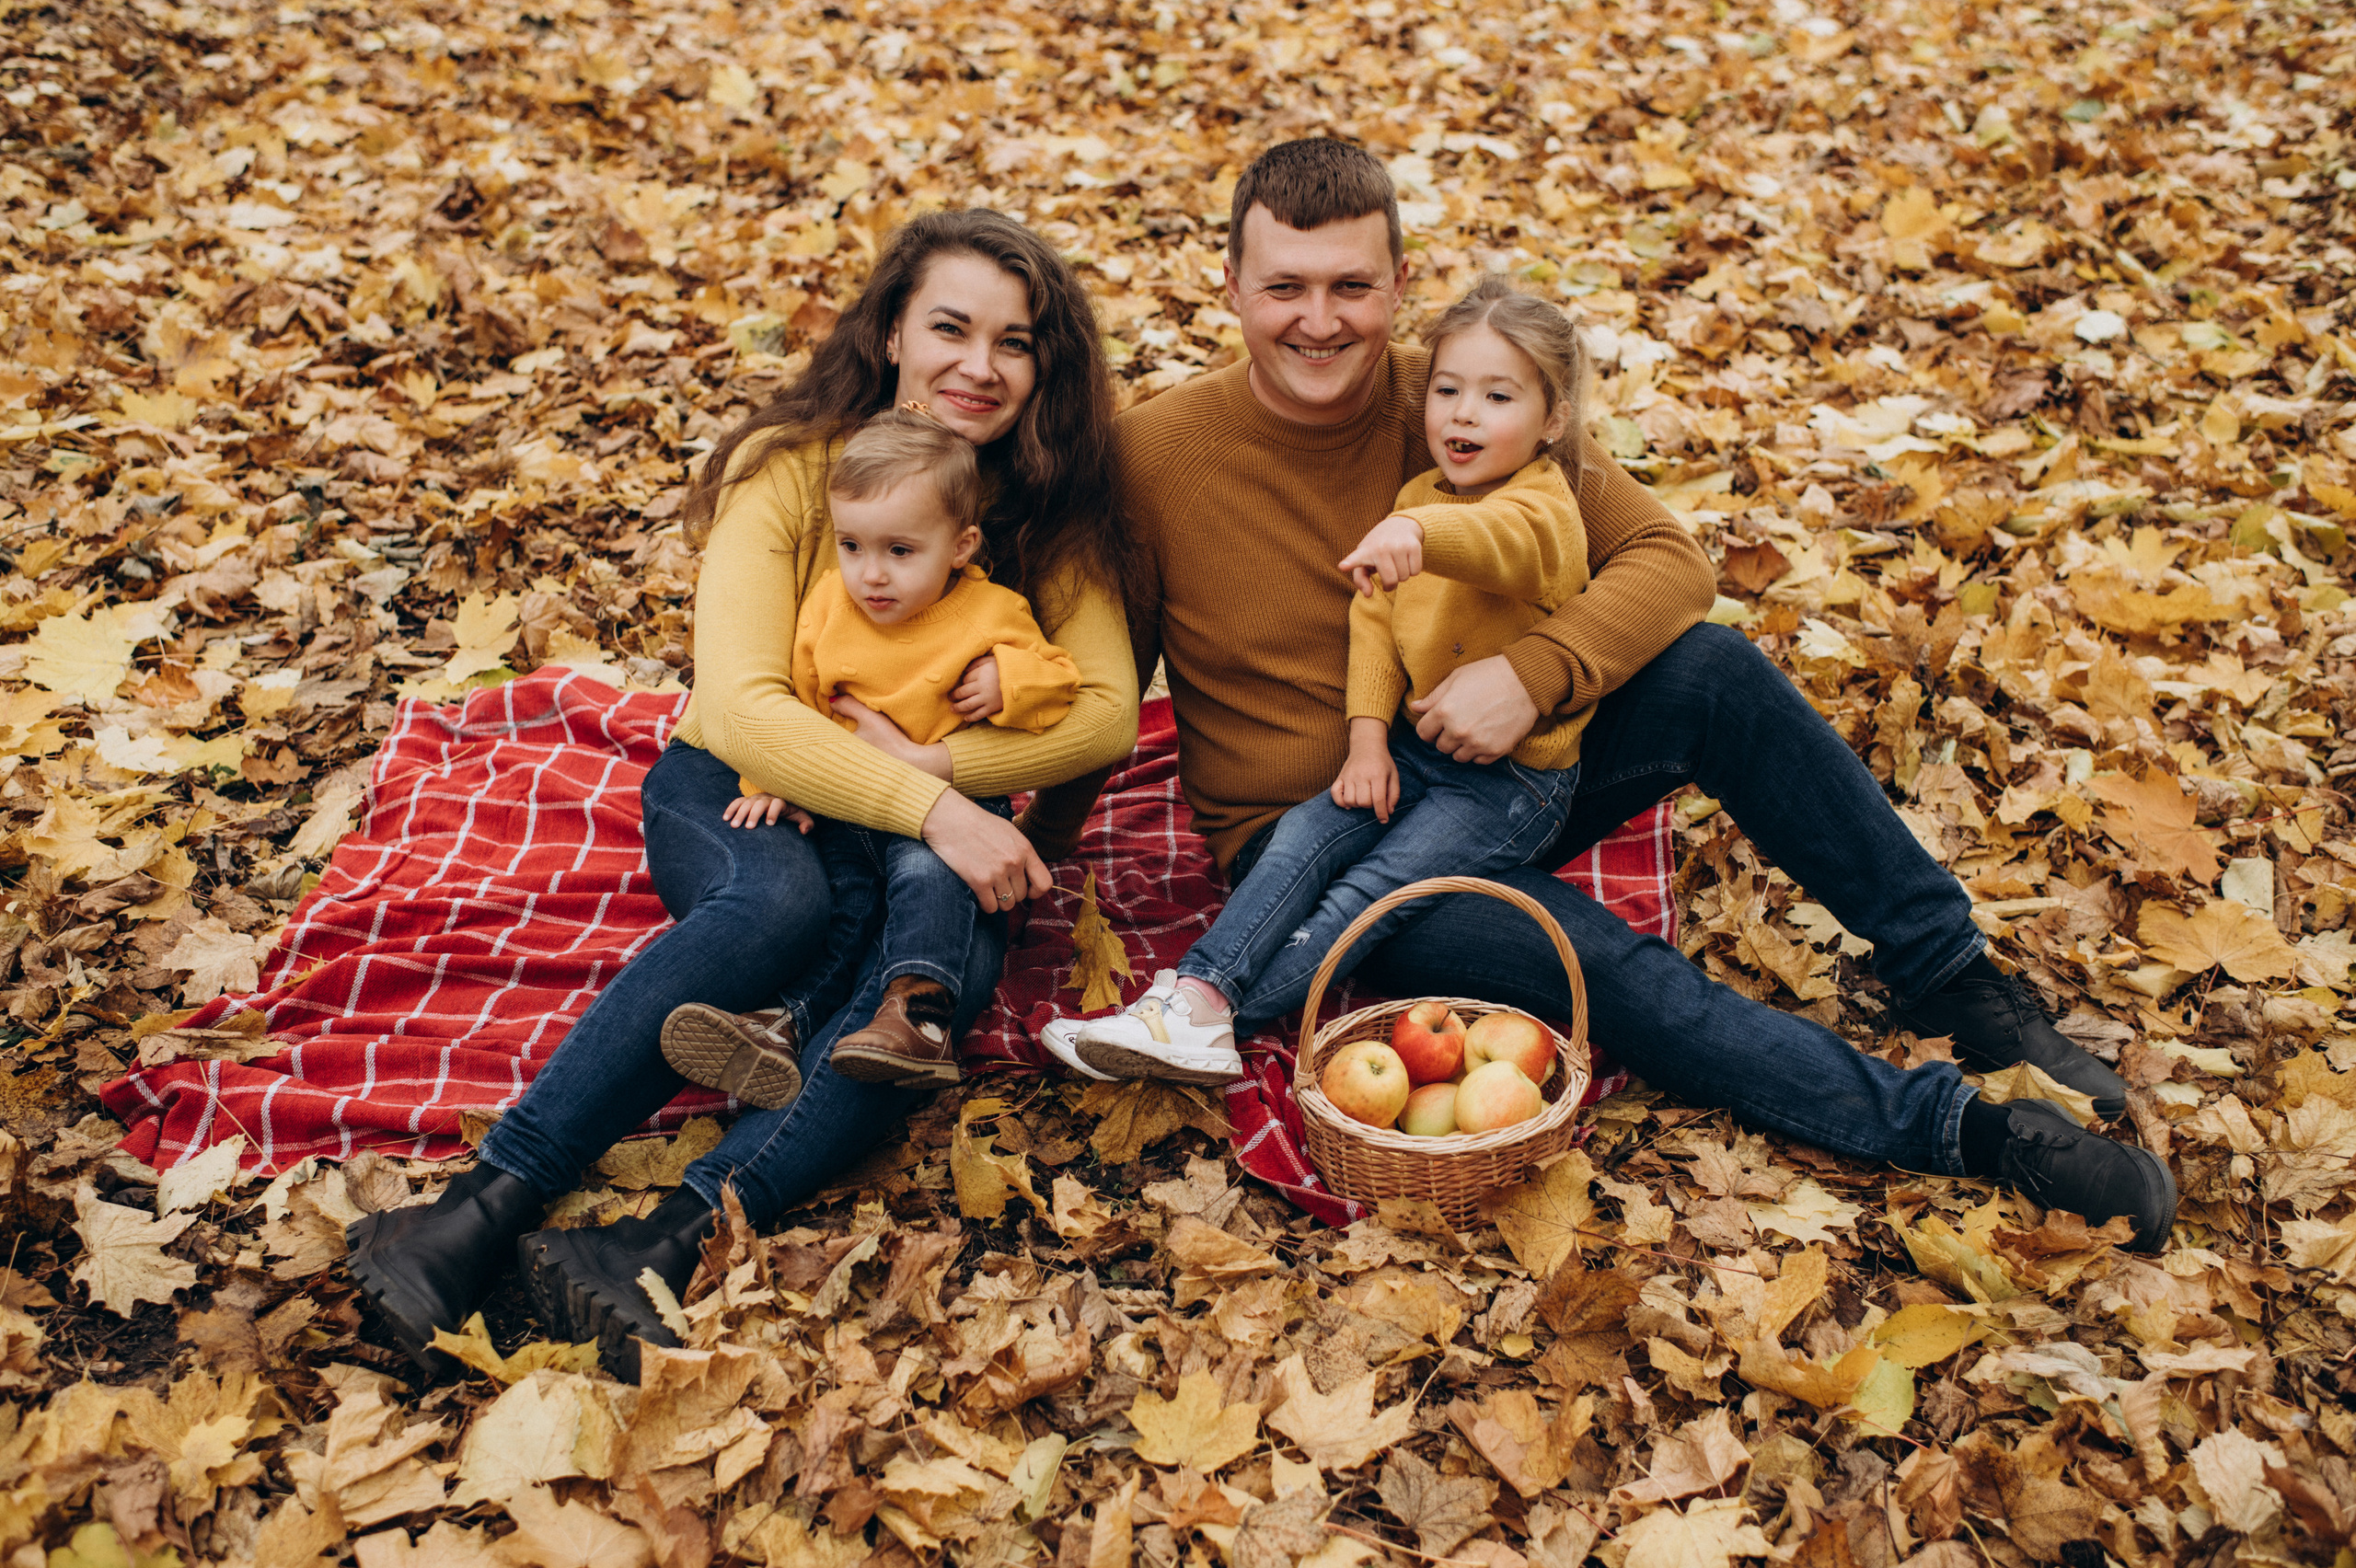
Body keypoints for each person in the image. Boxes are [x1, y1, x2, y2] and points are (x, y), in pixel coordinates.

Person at [1022, 138, 2174, 1251]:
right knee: (1608, 969)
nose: (1319, 321)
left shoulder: (1466, 395)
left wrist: (1530, 678)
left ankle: (1957, 981)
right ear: (1228, 284)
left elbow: (1669, 558)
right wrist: (1019, 863)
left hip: (1502, 773)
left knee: (1712, 668)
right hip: (1319, 848)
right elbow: (1105, 695)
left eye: (1351, 287)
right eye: (1284, 287)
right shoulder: (1154, 456)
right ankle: (1969, 1134)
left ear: (1400, 284)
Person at [344, 211, 1139, 1380]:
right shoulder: (792, 472)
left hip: (929, 807)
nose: (981, 365)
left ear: (1045, 367)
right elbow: (748, 708)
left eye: (1015, 342)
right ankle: (475, 1214)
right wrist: (938, 812)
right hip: (749, 785)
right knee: (778, 911)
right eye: (951, 328)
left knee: (920, 1001)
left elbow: (1109, 714)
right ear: (890, 336)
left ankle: (664, 1246)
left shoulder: (1050, 506)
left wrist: (943, 778)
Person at [1050, 274, 1597, 1080]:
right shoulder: (1417, 494)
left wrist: (1419, 532)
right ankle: (1191, 998)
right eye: (1447, 390)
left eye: (1498, 396)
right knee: (1305, 837)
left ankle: (1230, 1015)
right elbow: (1373, 626)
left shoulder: (1544, 506)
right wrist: (1366, 743)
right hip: (1417, 752)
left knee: (1368, 893)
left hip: (1511, 784)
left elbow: (1500, 542)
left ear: (1552, 420)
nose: (1464, 413)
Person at [663, 405, 1082, 1104]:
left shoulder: (991, 613)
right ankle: (784, 1025)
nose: (871, 575)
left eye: (899, 551)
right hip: (851, 796)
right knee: (851, 904)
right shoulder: (830, 605)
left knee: (925, 880)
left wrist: (1009, 682)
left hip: (950, 801)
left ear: (961, 545)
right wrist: (771, 778)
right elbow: (793, 702)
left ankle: (917, 1015)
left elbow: (1060, 683)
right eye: (852, 546)